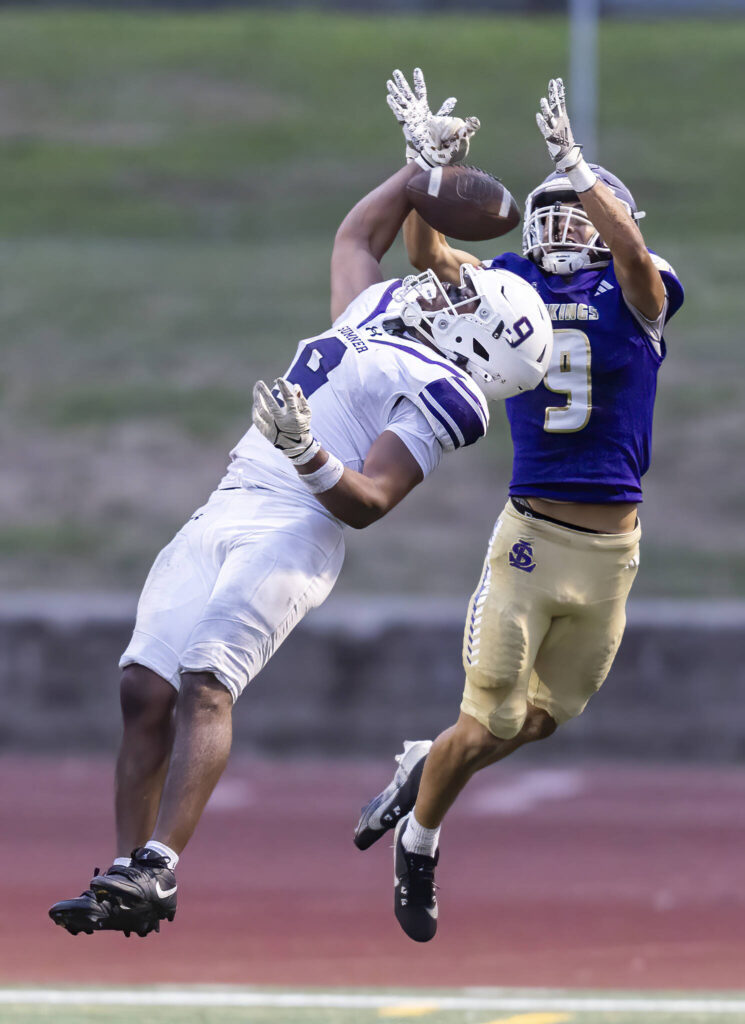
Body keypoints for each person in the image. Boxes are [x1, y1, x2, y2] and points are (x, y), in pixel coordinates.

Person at [48, 108, 553, 938]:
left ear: (482, 340)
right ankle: (124, 873)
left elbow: (369, 500)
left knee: (208, 680)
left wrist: (307, 450)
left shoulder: (450, 394)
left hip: (297, 522)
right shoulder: (383, 311)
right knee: (142, 688)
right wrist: (416, 165)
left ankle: (162, 870)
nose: (449, 276)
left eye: (465, 288)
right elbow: (357, 237)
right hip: (230, 498)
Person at [354, 72, 684, 943]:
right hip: (531, 538)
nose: (559, 221)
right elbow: (427, 257)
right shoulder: (512, 284)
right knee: (491, 712)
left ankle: (424, 764)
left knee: (544, 718)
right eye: (553, 208)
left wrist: (577, 166)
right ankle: (421, 839)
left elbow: (635, 263)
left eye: (578, 208)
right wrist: (428, 174)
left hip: (612, 551)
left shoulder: (639, 292)